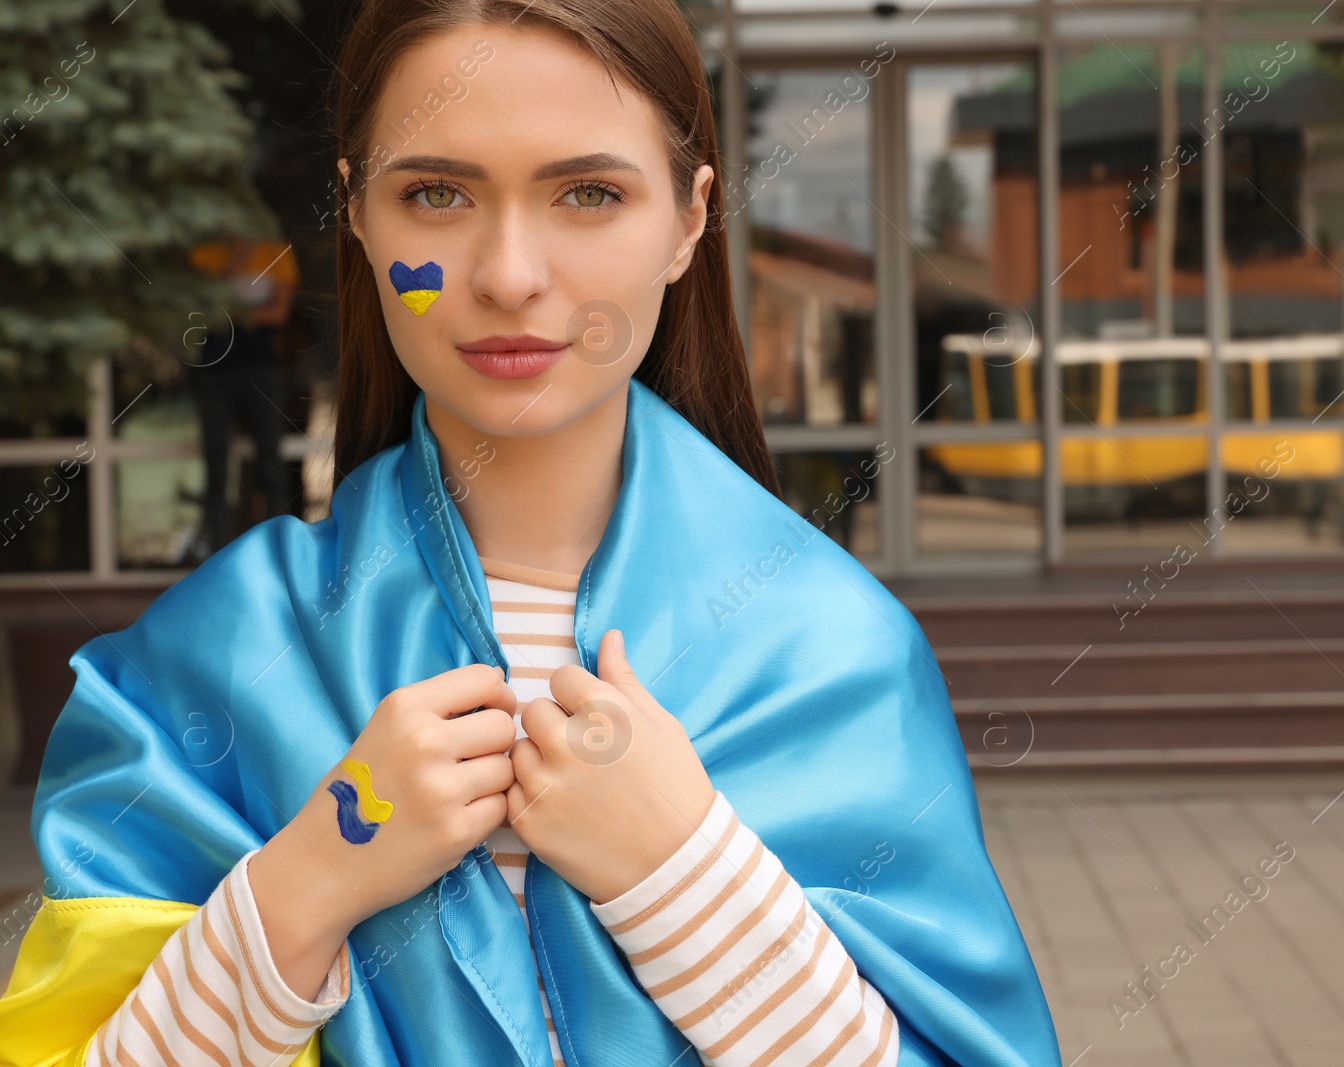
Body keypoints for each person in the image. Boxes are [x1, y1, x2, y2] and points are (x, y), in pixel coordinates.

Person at [0, 2, 1063, 1065]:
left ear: (692, 219)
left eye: (588, 192)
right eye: (436, 193)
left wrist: (683, 870)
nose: (509, 274)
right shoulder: (216, 654)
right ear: (355, 213)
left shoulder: (835, 650)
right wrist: (316, 871)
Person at [186, 233, 302, 559]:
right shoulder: (203, 252)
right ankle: (217, 559)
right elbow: (201, 311)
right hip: (213, 370)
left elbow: (279, 314)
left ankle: (278, 556)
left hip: (262, 368)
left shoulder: (276, 251)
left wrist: (228, 313)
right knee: (216, 462)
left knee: (271, 459)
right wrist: (235, 261)